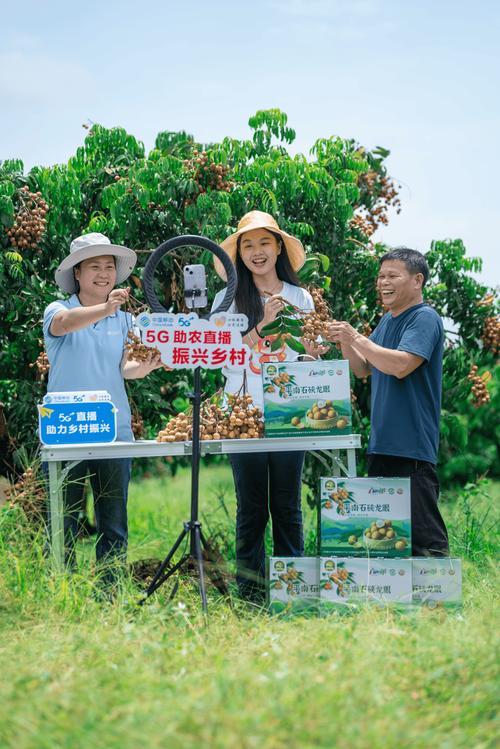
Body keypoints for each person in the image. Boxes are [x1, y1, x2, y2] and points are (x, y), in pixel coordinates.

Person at [212, 211, 328, 602]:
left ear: (278, 247)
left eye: (264, 243)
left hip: (289, 414)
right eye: (248, 245)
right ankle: (251, 595)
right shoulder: (226, 300)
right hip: (241, 415)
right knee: (251, 509)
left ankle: (292, 595)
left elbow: (307, 357)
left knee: (287, 506)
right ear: (239, 254)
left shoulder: (300, 298)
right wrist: (261, 324)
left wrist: (312, 358)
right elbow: (220, 357)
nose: (257, 252)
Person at [43, 232, 163, 585]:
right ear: (76, 274)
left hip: (113, 432)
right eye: (94, 267)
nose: (103, 274)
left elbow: (127, 369)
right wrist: (105, 308)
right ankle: (62, 591)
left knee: (113, 521)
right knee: (63, 520)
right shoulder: (59, 309)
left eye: (109, 267)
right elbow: (63, 326)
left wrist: (150, 364)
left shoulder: (126, 322)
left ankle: (110, 593)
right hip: (66, 430)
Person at [328, 247, 449, 557]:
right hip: (382, 444)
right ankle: (394, 604)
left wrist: (357, 338)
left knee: (425, 540)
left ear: (417, 280)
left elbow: (400, 366)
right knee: (386, 538)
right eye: (380, 276)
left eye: (393, 275)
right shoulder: (386, 321)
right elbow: (363, 369)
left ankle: (438, 602)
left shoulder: (424, 318)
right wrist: (346, 342)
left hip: (411, 447)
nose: (383, 282)